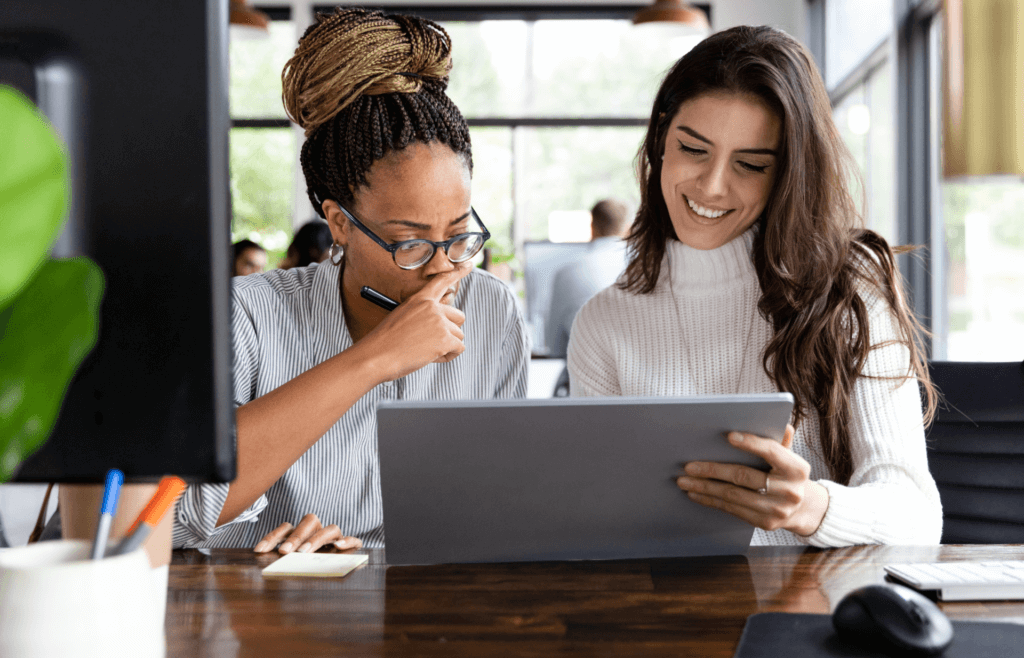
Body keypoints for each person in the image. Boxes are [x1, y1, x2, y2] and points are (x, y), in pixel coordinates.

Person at [567, 26, 942, 547]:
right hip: (667, 613)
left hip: (813, 618)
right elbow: (599, 518)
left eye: (750, 164)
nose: (713, 185)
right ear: (660, 140)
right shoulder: (603, 323)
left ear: (787, 174)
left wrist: (812, 507)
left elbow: (918, 517)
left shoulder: (849, 291)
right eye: (693, 149)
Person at [173, 8, 529, 554]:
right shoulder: (246, 314)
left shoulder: (491, 311)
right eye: (410, 242)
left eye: (459, 235)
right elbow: (174, 513)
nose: (443, 267)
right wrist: (374, 360)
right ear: (340, 223)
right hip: (263, 623)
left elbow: (499, 508)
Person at [545, 198, 631, 360]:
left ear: (592, 228)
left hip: (585, 373)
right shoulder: (647, 269)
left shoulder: (567, 273)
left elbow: (554, 346)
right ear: (628, 229)